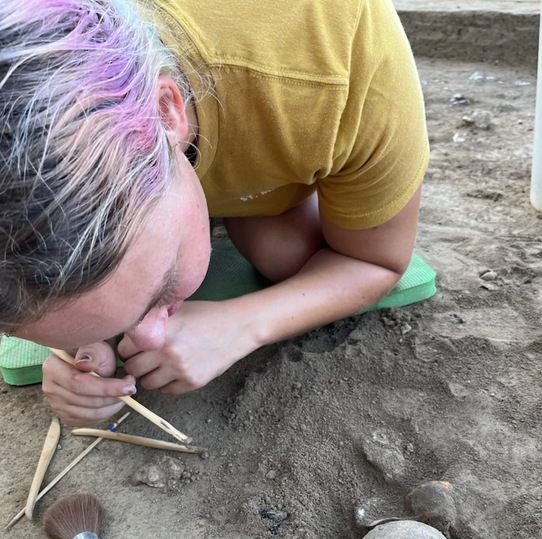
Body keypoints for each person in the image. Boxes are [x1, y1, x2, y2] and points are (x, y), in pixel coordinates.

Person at [1, 0, 429, 426]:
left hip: (288, 90)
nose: (149, 339)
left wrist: (242, 325)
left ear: (167, 112)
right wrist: (77, 336)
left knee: (287, 253)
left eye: (164, 280)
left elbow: (376, 260)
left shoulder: (338, 68)